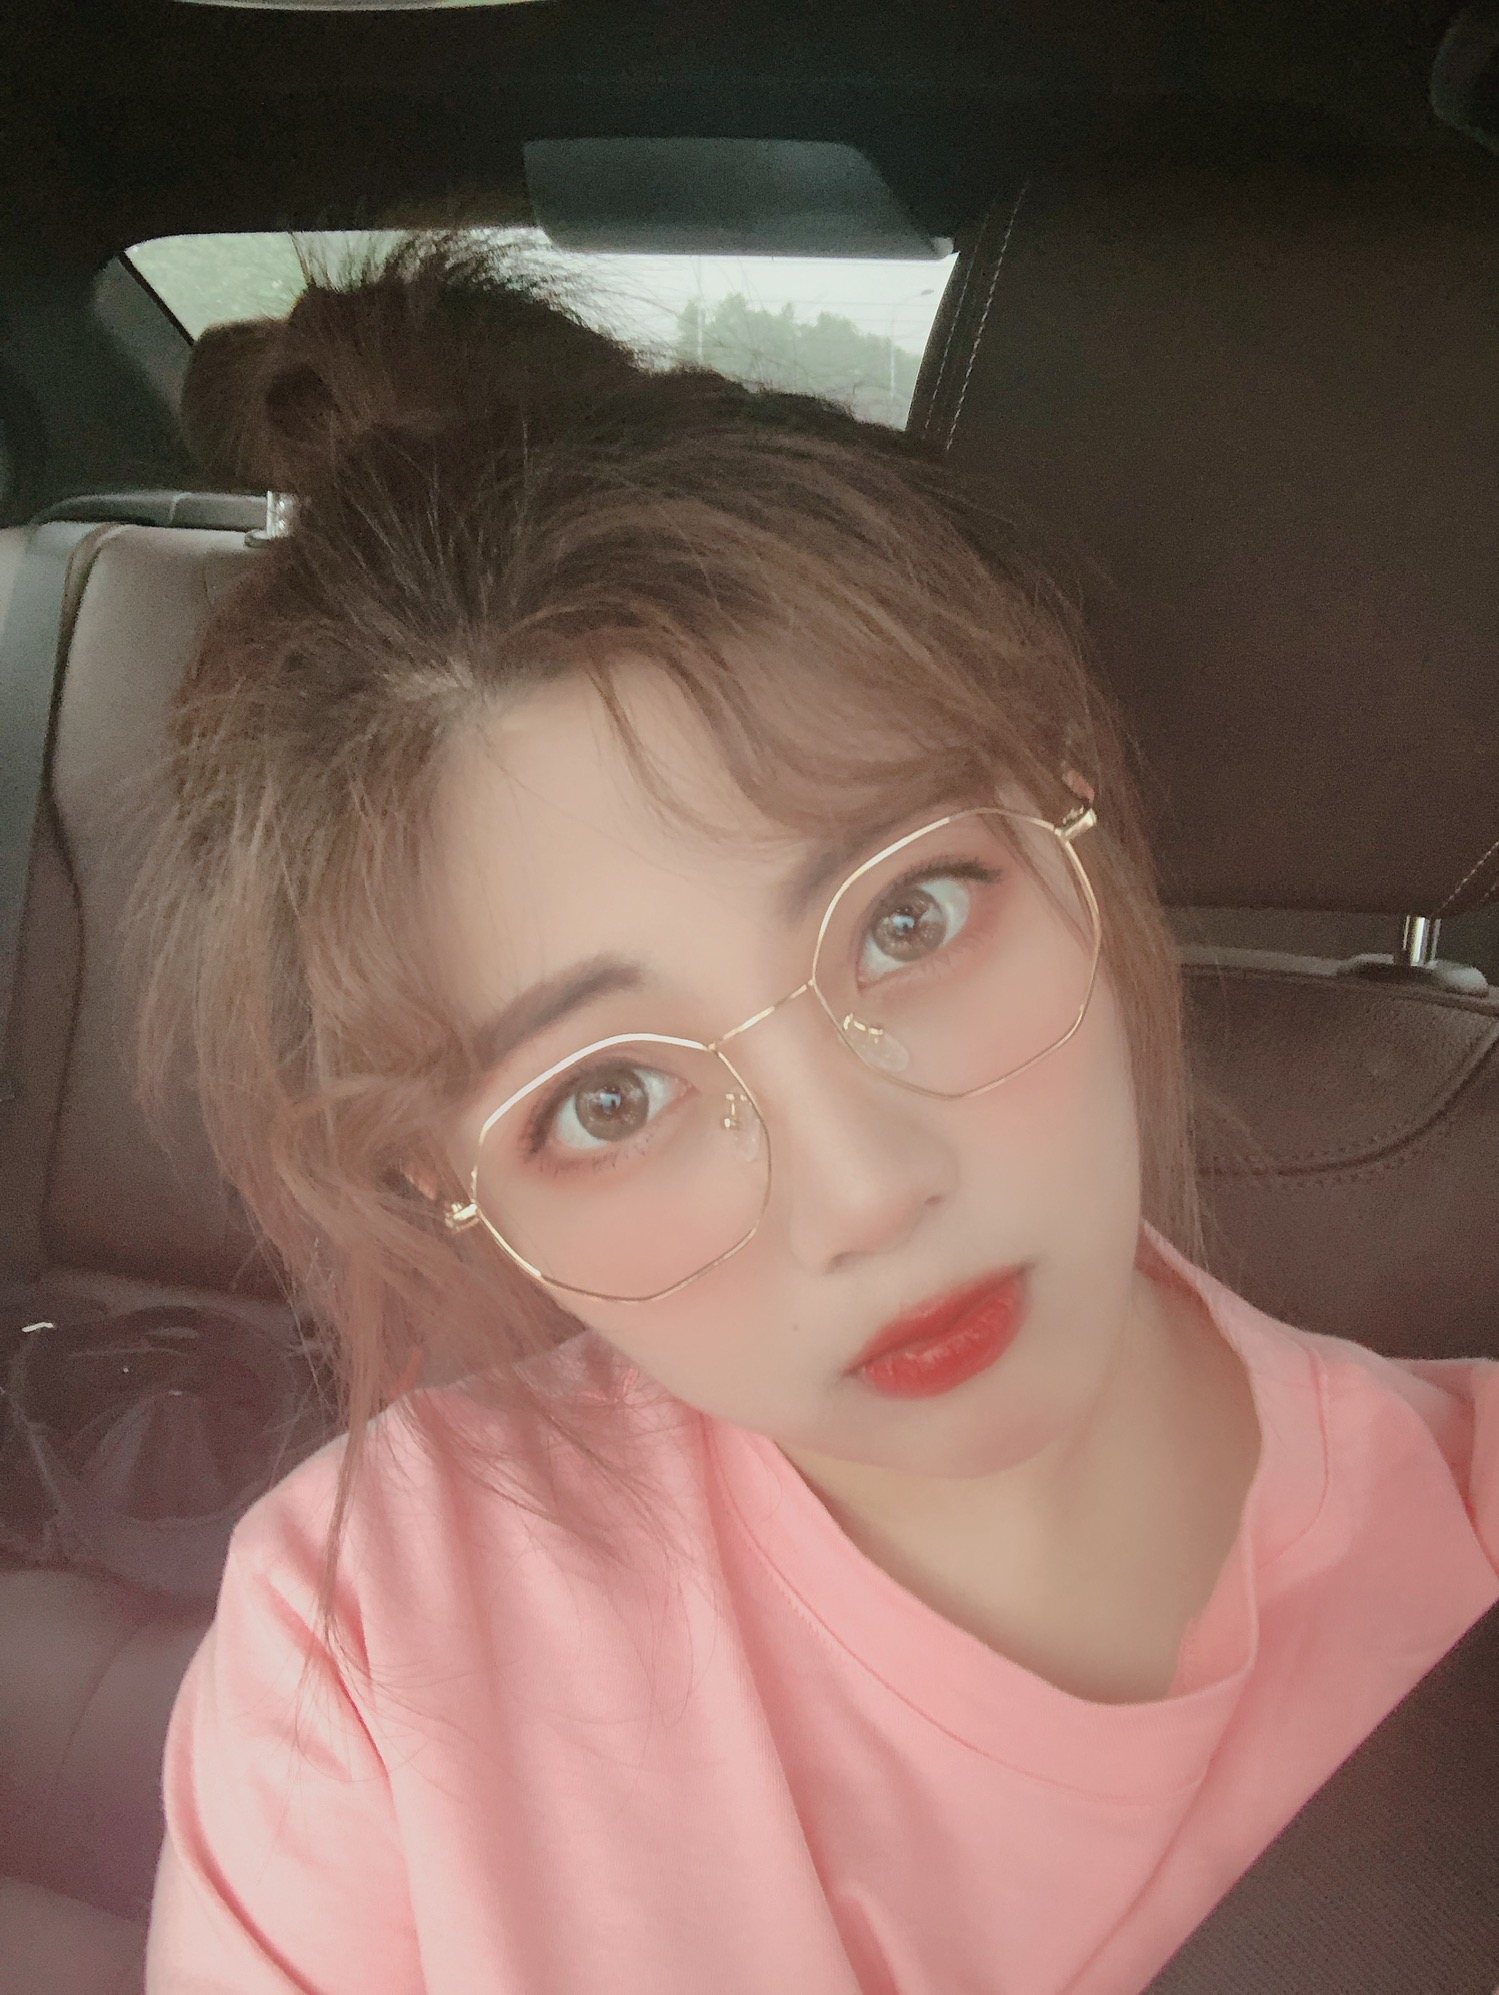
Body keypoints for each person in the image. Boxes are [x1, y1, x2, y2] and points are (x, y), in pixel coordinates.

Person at [136, 236, 1497, 1995]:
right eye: (608, 1099)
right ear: (446, 1183)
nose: (865, 1192)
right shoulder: (377, 1642)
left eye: (909, 919)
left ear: (1071, 828)